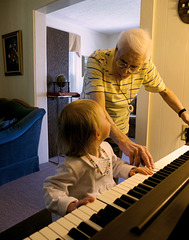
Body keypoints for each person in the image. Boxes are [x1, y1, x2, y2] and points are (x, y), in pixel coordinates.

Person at [80, 28, 189, 169]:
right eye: (123, 62)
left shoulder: (145, 66)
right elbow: (99, 109)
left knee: (111, 175)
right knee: (87, 177)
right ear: (117, 49)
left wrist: (183, 113)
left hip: (119, 127)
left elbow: (164, 91)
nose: (126, 71)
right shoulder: (98, 60)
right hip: (90, 126)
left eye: (133, 67)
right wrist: (124, 141)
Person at [43, 99, 152, 216]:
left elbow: (114, 164)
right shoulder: (73, 165)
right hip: (86, 213)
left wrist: (130, 170)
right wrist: (70, 205)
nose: (108, 119)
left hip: (108, 201)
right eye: (105, 118)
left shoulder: (105, 147)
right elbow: (52, 188)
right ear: (97, 133)